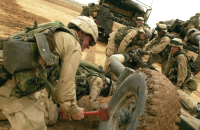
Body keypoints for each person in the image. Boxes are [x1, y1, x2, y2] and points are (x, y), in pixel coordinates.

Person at [0, 16, 98, 130]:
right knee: (36, 126)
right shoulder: (73, 45)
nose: (89, 46)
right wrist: (73, 110)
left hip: (6, 72)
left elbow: (48, 79)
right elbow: (66, 83)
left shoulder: (54, 31)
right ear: (82, 32)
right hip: (10, 85)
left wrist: (60, 104)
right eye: (90, 41)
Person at [163, 38, 198, 112]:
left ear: (179, 48)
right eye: (171, 46)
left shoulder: (181, 56)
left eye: (175, 47)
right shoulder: (172, 54)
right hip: (178, 79)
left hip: (186, 82)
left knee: (186, 101)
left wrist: (178, 85)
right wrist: (163, 76)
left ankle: (196, 111)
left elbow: (182, 73)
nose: (172, 48)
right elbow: (168, 66)